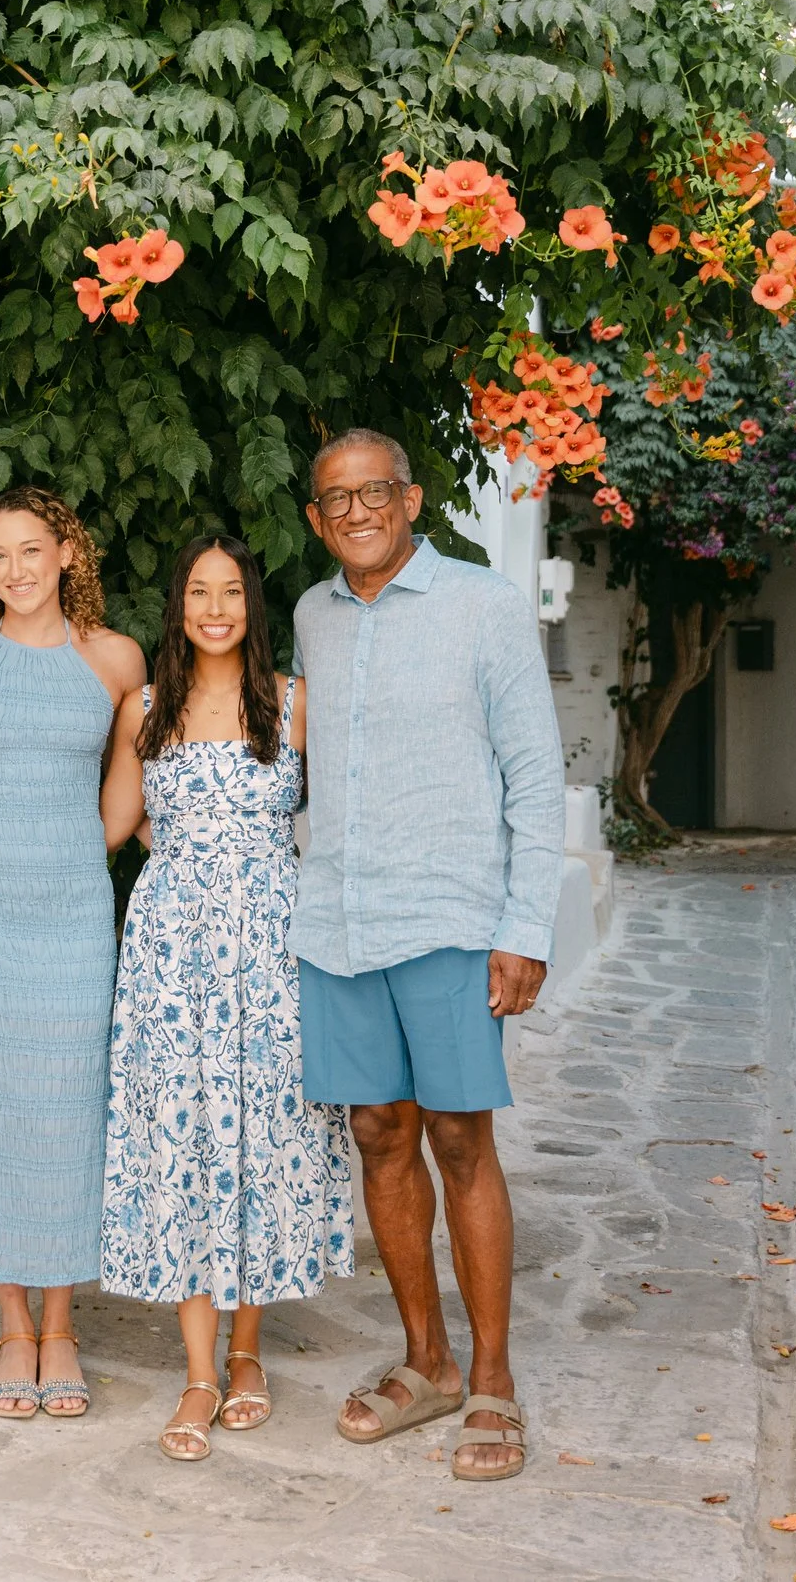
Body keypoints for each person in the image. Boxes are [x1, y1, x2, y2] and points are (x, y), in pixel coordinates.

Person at [291, 427, 564, 1483]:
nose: (356, 512)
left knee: (460, 1138)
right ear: (316, 519)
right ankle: (427, 1360)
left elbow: (533, 777)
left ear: (408, 499)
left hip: (453, 916)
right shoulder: (315, 615)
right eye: (334, 501)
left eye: (374, 493)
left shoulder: (483, 606)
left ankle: (491, 1377)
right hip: (340, 918)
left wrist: (523, 928)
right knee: (377, 1132)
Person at [97, 535, 355, 1463]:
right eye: (198, 591)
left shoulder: (293, 704)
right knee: (185, 1135)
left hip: (273, 945)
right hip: (170, 949)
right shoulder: (147, 707)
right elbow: (115, 828)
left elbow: (345, 821)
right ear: (178, 603)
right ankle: (200, 1371)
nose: (215, 607)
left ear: (253, 603)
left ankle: (249, 1353)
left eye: (232, 591)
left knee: (261, 1131)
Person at [0, 486, 147, 1419]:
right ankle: (14, 1328)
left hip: (73, 908)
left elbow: (120, 810)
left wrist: (79, 856)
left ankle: (63, 1328)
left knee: (64, 1105)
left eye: (30, 549)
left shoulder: (116, 658)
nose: (15, 569)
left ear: (68, 553)